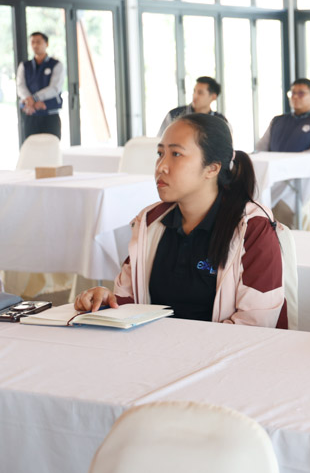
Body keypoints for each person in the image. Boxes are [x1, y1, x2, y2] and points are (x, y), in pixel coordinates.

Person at [74, 114, 286, 328]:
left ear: (212, 168)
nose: (161, 167)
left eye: (176, 154)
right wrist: (108, 300)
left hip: (219, 348)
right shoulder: (150, 222)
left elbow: (255, 326)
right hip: (153, 345)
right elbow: (129, 299)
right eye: (160, 154)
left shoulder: (252, 228)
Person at [255, 78, 310, 225]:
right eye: (292, 93)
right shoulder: (277, 121)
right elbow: (260, 148)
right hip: (273, 176)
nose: (295, 97)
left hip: (301, 179)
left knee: (283, 209)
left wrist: (288, 165)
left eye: (301, 93)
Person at [16, 32, 65, 140]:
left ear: (46, 44)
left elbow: (55, 88)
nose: (35, 45)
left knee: (51, 145)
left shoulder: (56, 64)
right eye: (32, 42)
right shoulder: (24, 66)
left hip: (50, 115)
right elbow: (20, 86)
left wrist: (35, 98)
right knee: (30, 146)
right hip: (30, 114)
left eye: (38, 42)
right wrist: (29, 100)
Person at [158, 76, 228, 136]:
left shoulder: (221, 121)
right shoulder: (174, 115)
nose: (195, 96)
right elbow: (159, 141)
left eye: (200, 93)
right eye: (194, 91)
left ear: (213, 97)